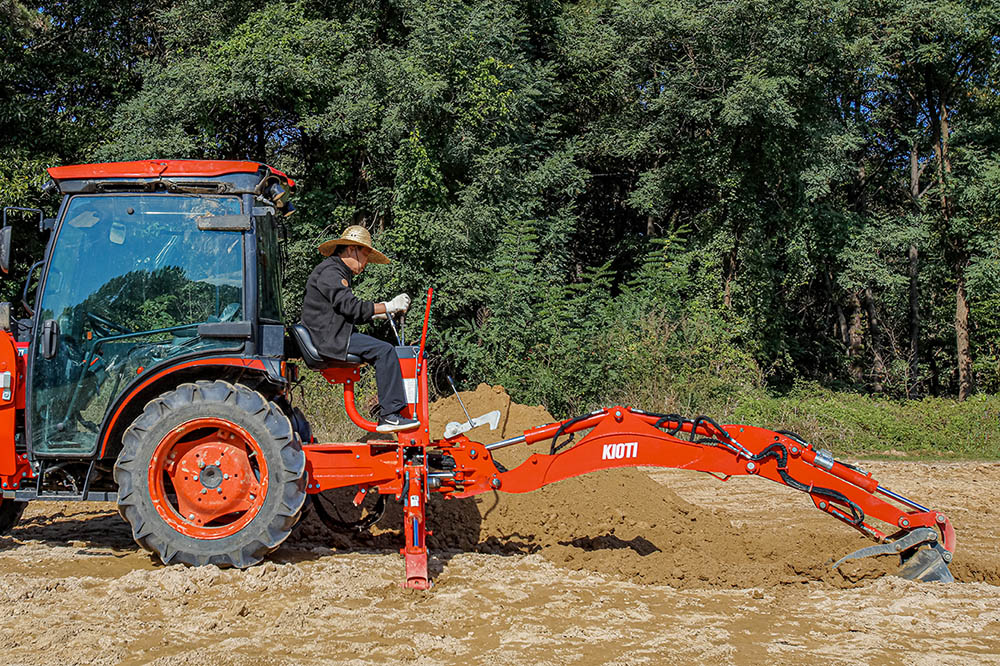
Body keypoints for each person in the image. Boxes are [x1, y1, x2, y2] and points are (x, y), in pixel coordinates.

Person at [301, 225, 418, 433]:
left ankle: (390, 413)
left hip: (333, 335)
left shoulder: (334, 270)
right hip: (330, 340)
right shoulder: (331, 272)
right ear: (350, 249)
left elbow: (347, 312)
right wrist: (387, 306)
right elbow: (350, 307)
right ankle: (390, 415)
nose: (365, 264)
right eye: (365, 256)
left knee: (380, 347)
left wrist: (380, 313)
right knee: (385, 351)